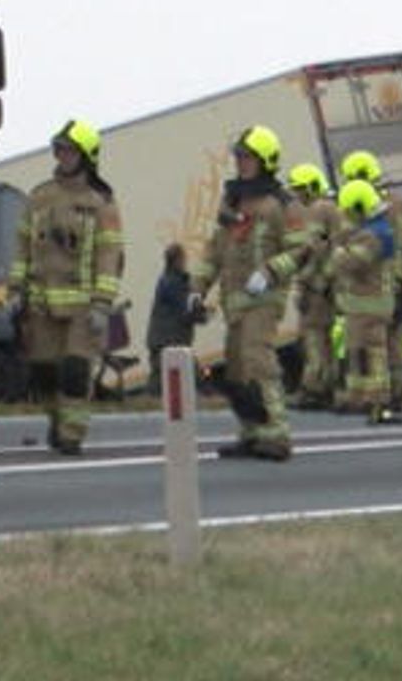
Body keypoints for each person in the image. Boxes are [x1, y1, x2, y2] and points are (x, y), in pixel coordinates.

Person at [190, 126, 308, 461]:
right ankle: (252, 432)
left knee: (259, 359)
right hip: (235, 302)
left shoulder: (283, 205)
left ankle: (277, 434)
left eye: (247, 158)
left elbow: (303, 251)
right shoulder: (233, 203)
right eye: (239, 158)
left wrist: (270, 272)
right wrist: (196, 290)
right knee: (237, 370)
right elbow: (215, 252)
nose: (241, 164)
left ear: (265, 161)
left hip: (264, 299)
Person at [8, 119, 124, 456]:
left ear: (85, 156)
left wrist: (103, 303)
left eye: (69, 151)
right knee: (44, 372)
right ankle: (57, 421)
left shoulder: (101, 204)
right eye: (59, 150)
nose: (62, 157)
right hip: (42, 304)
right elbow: (22, 246)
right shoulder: (40, 197)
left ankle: (72, 434)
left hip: (83, 307)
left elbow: (110, 254)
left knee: (75, 371)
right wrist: (16, 290)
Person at [336, 149, 402, 424]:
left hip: (380, 286)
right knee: (393, 343)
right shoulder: (400, 206)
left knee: (375, 344)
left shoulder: (361, 208)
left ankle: (374, 397)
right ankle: (394, 395)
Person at [329, 180, 399, 423]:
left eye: (349, 211)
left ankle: (378, 400)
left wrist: (336, 249)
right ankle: (358, 397)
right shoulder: (374, 229)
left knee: (372, 354)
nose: (347, 217)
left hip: (371, 305)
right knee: (357, 352)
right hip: (364, 305)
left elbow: (350, 263)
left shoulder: (374, 235)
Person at [284, 163, 339, 409]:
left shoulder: (318, 209)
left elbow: (315, 248)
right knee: (325, 339)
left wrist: (305, 281)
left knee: (313, 338)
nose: (297, 196)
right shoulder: (333, 208)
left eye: (299, 190)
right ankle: (328, 385)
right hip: (330, 285)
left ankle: (312, 389)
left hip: (317, 287)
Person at [145, 243, 199, 394]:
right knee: (183, 379)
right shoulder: (173, 282)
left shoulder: (168, 280)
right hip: (169, 342)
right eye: (183, 259)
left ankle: (151, 406)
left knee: (162, 381)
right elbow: (185, 310)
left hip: (165, 341)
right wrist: (202, 314)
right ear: (178, 260)